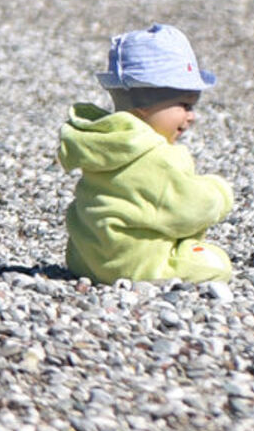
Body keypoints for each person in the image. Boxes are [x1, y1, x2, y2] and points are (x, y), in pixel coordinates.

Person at [58, 24, 235, 285]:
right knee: (216, 263)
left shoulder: (102, 141)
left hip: (86, 260)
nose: (192, 116)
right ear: (144, 106)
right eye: (185, 105)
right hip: (138, 264)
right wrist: (220, 192)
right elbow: (188, 210)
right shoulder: (156, 156)